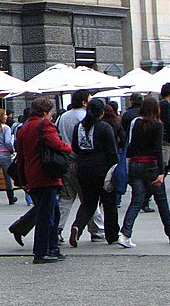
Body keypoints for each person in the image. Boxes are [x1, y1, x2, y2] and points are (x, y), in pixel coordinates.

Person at [119, 95, 170, 248]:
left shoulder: (136, 123)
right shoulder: (157, 125)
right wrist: (161, 171)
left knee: (136, 200)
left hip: (135, 164)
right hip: (151, 165)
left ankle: (125, 234)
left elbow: (130, 145)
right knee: (161, 201)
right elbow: (157, 149)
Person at [15, 97, 72, 264]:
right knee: (46, 215)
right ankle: (41, 251)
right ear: (46, 112)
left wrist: (22, 179)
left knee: (52, 212)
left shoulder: (24, 128)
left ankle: (52, 247)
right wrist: (68, 147)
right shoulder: (45, 125)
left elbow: (20, 156)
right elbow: (55, 143)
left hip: (32, 174)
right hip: (46, 174)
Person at [68, 99, 119, 247]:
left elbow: (75, 147)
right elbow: (112, 151)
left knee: (88, 203)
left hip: (83, 168)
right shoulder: (104, 127)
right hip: (102, 169)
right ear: (102, 112)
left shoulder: (78, 127)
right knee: (109, 203)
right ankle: (112, 235)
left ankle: (77, 226)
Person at [55, 90, 103, 241]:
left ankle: (56, 228)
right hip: (81, 162)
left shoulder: (62, 117)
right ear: (84, 102)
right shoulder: (85, 117)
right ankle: (97, 229)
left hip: (64, 161)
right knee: (89, 198)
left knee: (66, 197)